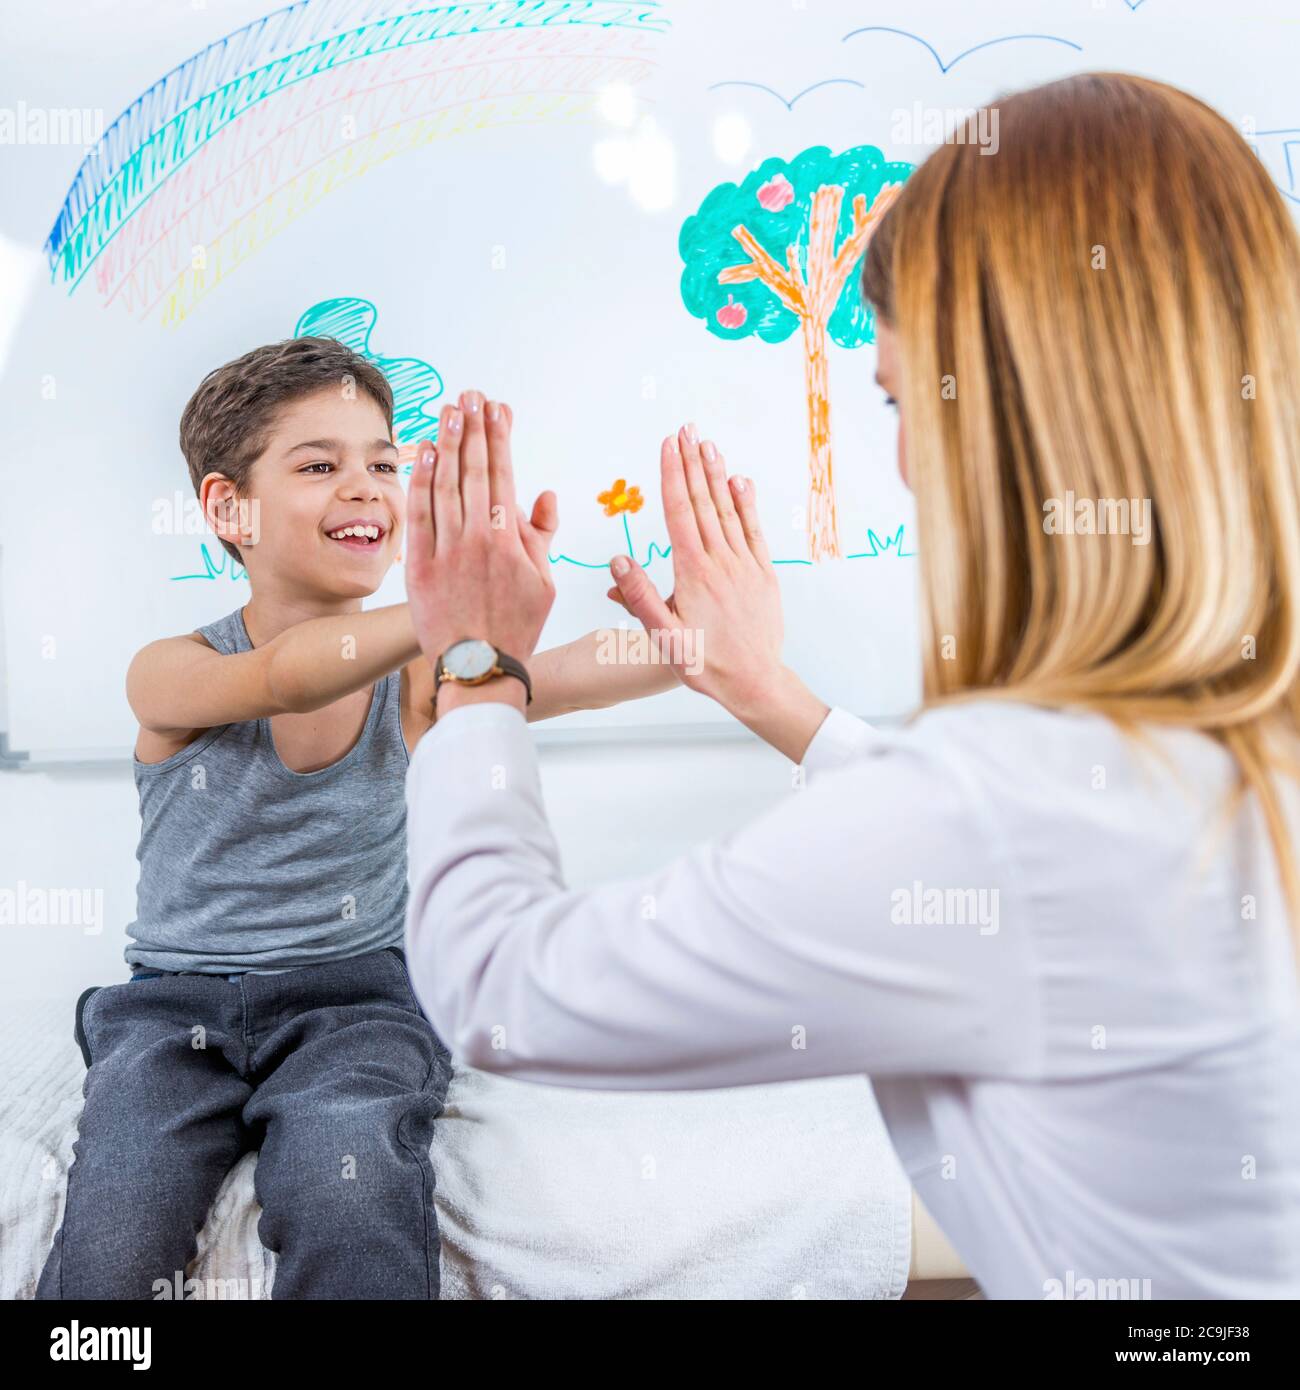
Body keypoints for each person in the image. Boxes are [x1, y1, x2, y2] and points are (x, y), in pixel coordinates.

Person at [400, 74, 1300, 1299]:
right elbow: (1029, 869)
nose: (900, 453)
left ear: (1007, 404)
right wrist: (768, 692)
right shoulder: (1197, 759)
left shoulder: (1000, 812)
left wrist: (476, 666)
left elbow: (506, 988)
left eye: (897, 393)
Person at [38, 339, 674, 1300]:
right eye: (320, 465)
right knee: (114, 1233)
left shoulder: (428, 671)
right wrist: (453, 612)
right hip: (175, 1013)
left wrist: (685, 639)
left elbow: (576, 674)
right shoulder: (169, 672)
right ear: (227, 509)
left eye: (384, 462)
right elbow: (287, 673)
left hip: (356, 1004)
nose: (367, 487)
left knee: (352, 1182)